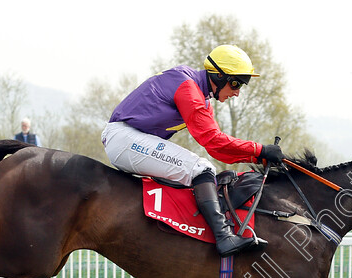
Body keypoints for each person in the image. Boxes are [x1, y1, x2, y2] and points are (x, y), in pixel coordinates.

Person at [101, 44, 284, 257]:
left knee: (205, 167)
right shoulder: (188, 88)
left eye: (242, 85)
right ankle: (224, 237)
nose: (237, 92)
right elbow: (213, 140)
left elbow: (218, 150)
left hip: (131, 138)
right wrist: (259, 149)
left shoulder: (201, 98)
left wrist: (259, 156)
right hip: (123, 138)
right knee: (200, 168)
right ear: (218, 76)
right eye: (235, 83)